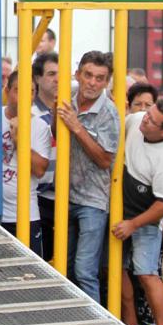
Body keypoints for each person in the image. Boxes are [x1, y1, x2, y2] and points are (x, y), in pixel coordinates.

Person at [113, 98, 163, 325]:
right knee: (114, 267)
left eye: (152, 120)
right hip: (120, 211)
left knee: (146, 273)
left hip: (145, 218)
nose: (145, 119)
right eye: (147, 113)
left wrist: (133, 223)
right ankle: (131, 324)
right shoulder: (135, 121)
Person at [60, 51, 119, 304]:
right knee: (66, 269)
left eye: (100, 78)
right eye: (88, 75)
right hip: (64, 193)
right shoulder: (68, 100)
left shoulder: (109, 111)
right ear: (78, 74)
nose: (93, 83)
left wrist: (77, 127)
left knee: (85, 271)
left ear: (107, 82)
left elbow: (106, 159)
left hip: (94, 199)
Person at [0, 70, 49, 256]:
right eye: (18, 90)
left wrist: (20, 140)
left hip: (24, 215)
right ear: (7, 91)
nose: (25, 97)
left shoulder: (39, 126)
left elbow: (39, 170)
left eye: (31, 91)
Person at [31, 51, 58, 255]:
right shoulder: (29, 112)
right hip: (38, 195)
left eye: (60, 73)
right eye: (50, 74)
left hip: (64, 196)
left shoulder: (69, 110)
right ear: (37, 78)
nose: (57, 79)